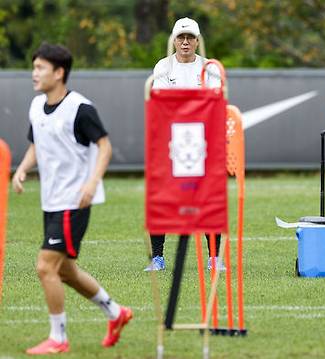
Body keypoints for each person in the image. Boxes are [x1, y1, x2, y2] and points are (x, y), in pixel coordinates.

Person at [12, 43, 132, 355]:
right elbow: (37, 144)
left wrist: (92, 183)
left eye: (40, 68)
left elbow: (104, 146)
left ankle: (58, 337)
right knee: (64, 270)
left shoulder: (80, 108)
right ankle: (116, 312)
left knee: (44, 266)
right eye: (34, 67)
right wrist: (22, 169)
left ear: (59, 72)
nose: (34, 73)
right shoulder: (37, 106)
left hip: (73, 201)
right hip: (50, 201)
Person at [146, 17, 223, 272]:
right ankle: (157, 257)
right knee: (162, 197)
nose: (186, 42)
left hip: (203, 145)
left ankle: (213, 257)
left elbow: (214, 104)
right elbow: (159, 104)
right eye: (181, 37)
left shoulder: (210, 68)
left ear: (198, 40)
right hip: (171, 145)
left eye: (190, 37)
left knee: (208, 198)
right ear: (174, 41)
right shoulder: (163, 67)